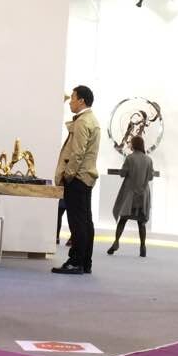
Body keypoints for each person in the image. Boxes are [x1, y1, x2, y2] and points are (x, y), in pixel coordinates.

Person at [52, 86, 100, 275]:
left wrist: (68, 174)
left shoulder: (82, 121)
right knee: (86, 221)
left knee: (77, 222)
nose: (70, 101)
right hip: (86, 177)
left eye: (72, 98)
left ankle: (75, 261)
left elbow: (77, 152)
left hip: (77, 178)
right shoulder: (92, 120)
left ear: (81, 101)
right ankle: (85, 262)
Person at [107, 135, 154, 257]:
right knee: (141, 222)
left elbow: (122, 174)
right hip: (143, 194)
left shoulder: (130, 158)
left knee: (123, 219)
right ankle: (142, 246)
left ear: (134, 145)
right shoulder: (148, 160)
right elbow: (150, 177)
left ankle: (116, 242)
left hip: (130, 194)